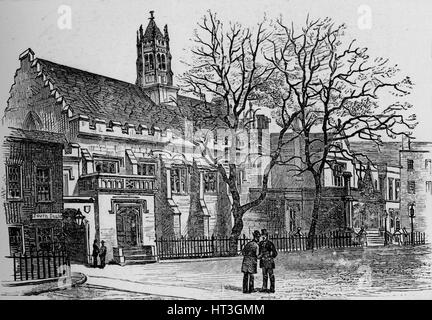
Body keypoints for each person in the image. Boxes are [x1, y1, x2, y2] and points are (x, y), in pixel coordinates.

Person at [258, 229, 278, 293]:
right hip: (263, 261)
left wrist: (271, 256)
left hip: (269, 261)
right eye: (262, 236)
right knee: (264, 275)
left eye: (265, 236)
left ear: (267, 236)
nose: (263, 237)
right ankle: (264, 287)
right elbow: (258, 252)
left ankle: (272, 288)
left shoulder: (270, 244)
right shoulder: (260, 244)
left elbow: (275, 253)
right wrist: (260, 256)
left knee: (271, 275)